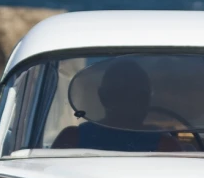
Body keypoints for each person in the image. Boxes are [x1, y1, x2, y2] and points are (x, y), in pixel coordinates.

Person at [52, 58, 181, 152]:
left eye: (137, 95)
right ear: (103, 97)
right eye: (120, 94)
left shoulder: (166, 146)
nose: (128, 102)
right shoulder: (71, 139)